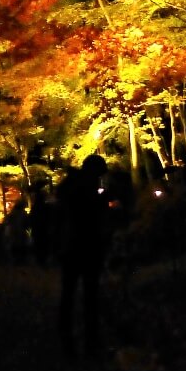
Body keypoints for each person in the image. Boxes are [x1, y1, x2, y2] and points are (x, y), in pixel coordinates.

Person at [55, 153, 112, 357]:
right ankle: (90, 341)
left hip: (71, 247)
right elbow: (93, 219)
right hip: (86, 247)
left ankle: (69, 339)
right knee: (88, 295)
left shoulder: (71, 185)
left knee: (70, 294)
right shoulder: (86, 188)